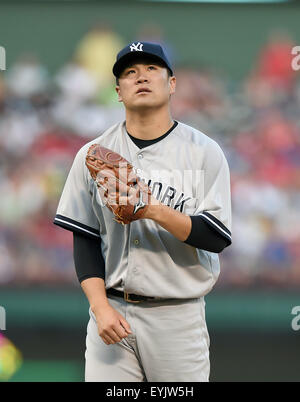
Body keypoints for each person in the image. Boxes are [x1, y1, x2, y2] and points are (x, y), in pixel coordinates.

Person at [54, 41, 232, 382]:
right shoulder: (92, 154)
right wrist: (99, 307)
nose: (141, 77)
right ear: (118, 91)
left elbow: (215, 237)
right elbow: (85, 239)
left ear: (172, 83)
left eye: (152, 69)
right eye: (130, 72)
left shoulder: (204, 152)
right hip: (111, 314)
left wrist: (151, 209)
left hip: (177, 316)